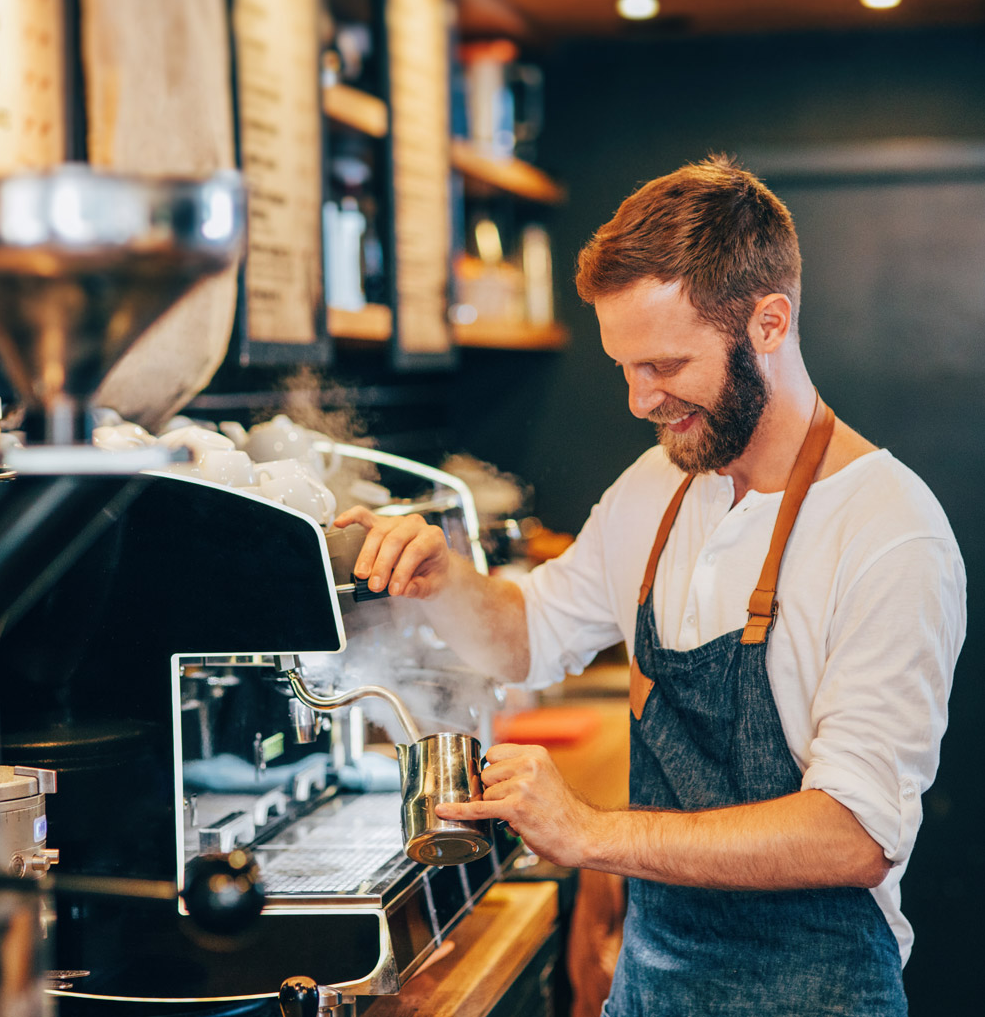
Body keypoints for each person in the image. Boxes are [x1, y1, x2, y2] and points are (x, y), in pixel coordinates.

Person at [334, 155, 966, 1015]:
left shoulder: (889, 531)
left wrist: (590, 833)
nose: (639, 400)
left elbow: (854, 837)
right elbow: (526, 635)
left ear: (769, 323)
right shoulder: (657, 488)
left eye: (665, 365)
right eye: (624, 368)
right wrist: (443, 579)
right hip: (656, 987)